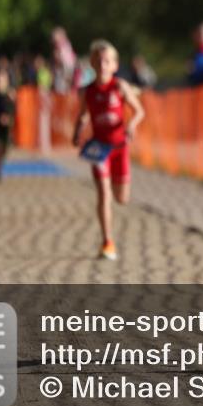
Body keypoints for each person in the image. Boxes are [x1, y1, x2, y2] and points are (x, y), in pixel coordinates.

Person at [72, 40, 145, 261]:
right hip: (99, 148)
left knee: (121, 198)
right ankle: (107, 242)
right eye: (99, 61)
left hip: (120, 147)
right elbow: (84, 114)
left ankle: (111, 223)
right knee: (104, 194)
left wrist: (131, 125)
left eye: (107, 61)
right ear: (93, 64)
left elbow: (140, 111)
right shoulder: (87, 91)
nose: (103, 64)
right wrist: (77, 130)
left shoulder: (120, 87)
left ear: (114, 65)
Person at [0, 69, 17, 183]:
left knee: (4, 150)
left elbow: (13, 110)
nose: (0, 81)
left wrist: (9, 118)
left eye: (2, 79)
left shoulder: (10, 95)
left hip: (6, 128)